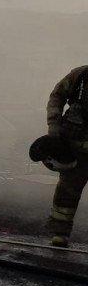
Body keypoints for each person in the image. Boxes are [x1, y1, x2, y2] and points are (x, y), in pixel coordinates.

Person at [44, 64, 88, 247]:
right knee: (67, 193)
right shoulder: (81, 76)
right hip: (75, 149)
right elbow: (57, 96)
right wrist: (54, 126)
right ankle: (60, 233)